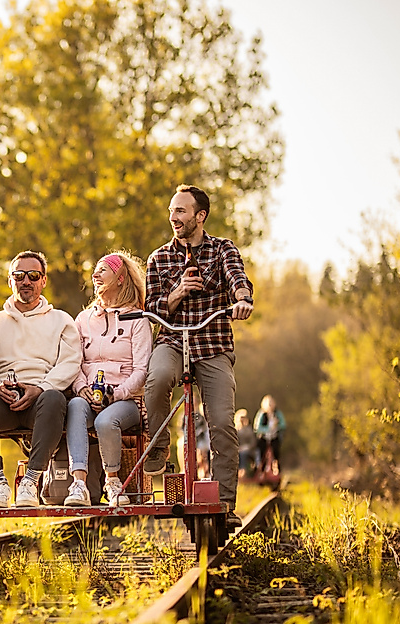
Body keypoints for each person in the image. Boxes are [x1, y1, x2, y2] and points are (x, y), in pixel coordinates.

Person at [141, 184, 254, 528]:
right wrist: (177, 293)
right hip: (173, 341)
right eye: (172, 211)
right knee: (157, 378)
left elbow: (238, 278)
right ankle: (159, 442)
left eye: (181, 211)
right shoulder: (159, 258)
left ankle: (224, 502)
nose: (173, 218)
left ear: (200, 216)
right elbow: (151, 308)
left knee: (221, 421)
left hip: (213, 344)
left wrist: (242, 298)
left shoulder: (222, 250)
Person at [0, 251, 82, 507]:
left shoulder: (61, 320)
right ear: (10, 281)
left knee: (54, 397)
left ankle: (30, 481)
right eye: (19, 275)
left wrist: (40, 387)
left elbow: (71, 363)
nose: (26, 281)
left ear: (43, 281)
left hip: (41, 403)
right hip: (3, 403)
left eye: (33, 275)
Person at [63, 251, 152, 507]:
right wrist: (81, 388)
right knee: (75, 407)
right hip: (90, 395)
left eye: (103, 270)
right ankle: (78, 484)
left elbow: (141, 371)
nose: (95, 274)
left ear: (121, 278)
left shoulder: (137, 320)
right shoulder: (83, 319)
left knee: (105, 420)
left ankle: (113, 482)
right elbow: (74, 362)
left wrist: (117, 393)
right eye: (96, 270)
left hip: (126, 401)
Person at [254, 395, 286, 475]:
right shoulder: (262, 414)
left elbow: (283, 424)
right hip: (264, 437)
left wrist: (277, 426)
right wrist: (268, 429)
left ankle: (277, 470)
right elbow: (257, 427)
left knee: (276, 452)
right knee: (261, 451)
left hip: (274, 437)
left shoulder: (277, 413)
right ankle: (260, 469)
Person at [234, 409, 258, 477]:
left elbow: (253, 442)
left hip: (249, 450)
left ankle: (243, 471)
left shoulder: (249, 430)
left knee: (243, 454)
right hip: (237, 450)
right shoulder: (235, 431)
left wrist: (247, 447)